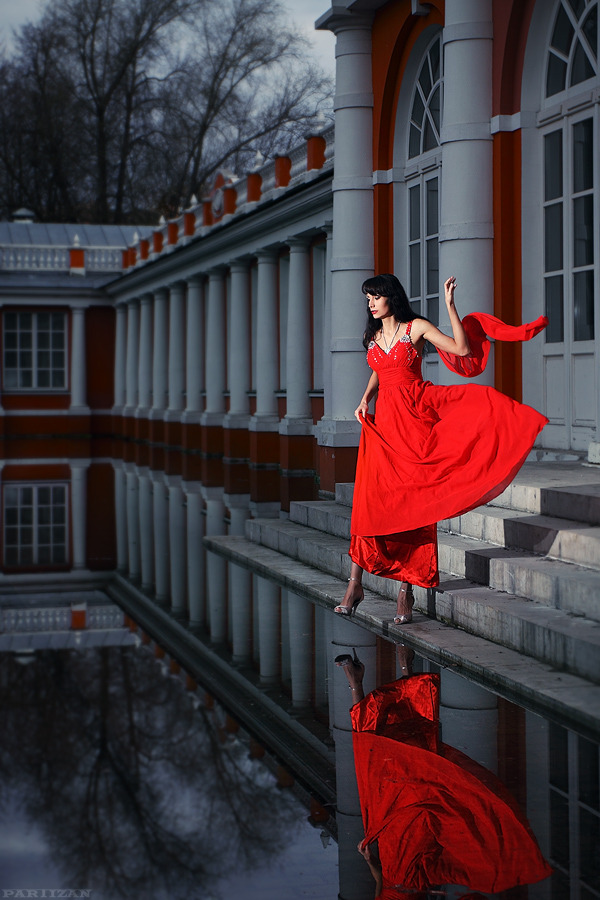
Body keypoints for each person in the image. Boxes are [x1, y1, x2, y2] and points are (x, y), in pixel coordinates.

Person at [334, 274, 548, 624]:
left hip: (414, 422)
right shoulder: (372, 336)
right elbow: (380, 369)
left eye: (375, 296)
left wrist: (450, 306)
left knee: (414, 505)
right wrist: (365, 398)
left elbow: (462, 349)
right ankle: (354, 584)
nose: (370, 302)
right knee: (370, 504)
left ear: (391, 297)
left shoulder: (415, 327)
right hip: (383, 426)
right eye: (367, 298)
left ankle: (407, 590)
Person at [335, 650, 552, 898]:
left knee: (370, 765)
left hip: (388, 841)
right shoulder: (423, 881)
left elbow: (379, 886)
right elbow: (446, 872)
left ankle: (356, 681)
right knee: (418, 759)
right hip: (416, 841)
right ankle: (406, 670)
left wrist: (369, 859)